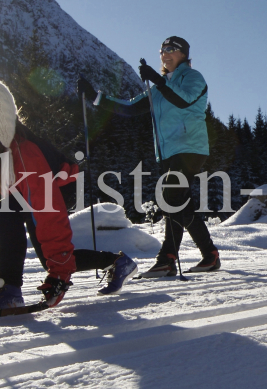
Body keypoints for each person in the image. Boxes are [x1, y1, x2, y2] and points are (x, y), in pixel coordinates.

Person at [0, 61, 138, 310]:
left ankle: (10, 290)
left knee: (44, 248)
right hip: (25, 188)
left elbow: (50, 219)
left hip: (56, 185)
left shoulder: (25, 157)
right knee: (9, 211)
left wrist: (59, 275)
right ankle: (116, 263)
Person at [79, 36, 218, 277]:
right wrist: (96, 97)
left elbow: (183, 101)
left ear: (184, 54)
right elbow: (131, 108)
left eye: (172, 49)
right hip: (167, 153)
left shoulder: (193, 78)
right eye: (163, 49)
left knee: (170, 197)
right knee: (180, 204)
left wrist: (157, 80)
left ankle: (167, 258)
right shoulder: (161, 86)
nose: (166, 53)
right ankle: (210, 255)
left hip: (189, 148)